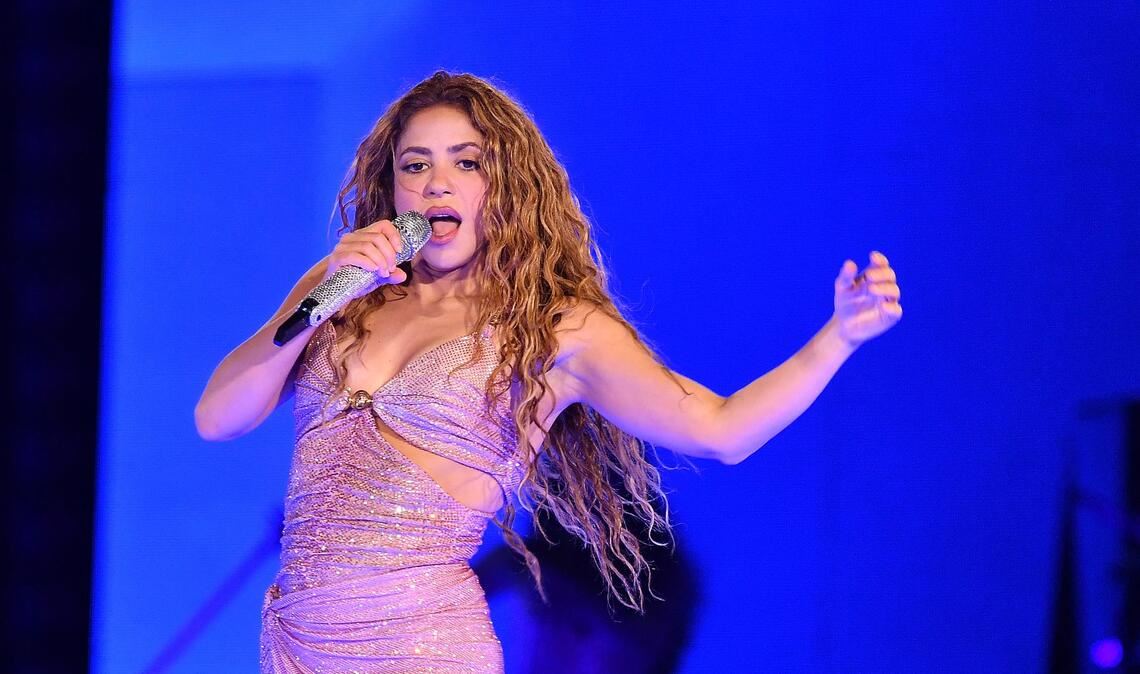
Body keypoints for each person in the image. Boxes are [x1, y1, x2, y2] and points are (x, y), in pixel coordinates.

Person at [195, 70, 902, 673]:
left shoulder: (554, 327)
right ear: (393, 186)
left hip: (420, 645)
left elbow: (719, 430)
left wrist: (836, 339)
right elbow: (217, 418)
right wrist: (321, 301)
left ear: (504, 185)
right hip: (296, 646)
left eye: (466, 162)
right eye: (415, 165)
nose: (437, 182)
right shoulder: (343, 285)